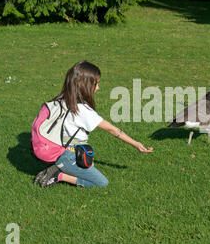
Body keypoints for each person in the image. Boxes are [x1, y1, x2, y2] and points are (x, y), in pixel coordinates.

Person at [34, 60, 153, 188]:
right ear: (84, 84)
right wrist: (136, 144)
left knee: (89, 165)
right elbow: (113, 130)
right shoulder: (82, 110)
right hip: (68, 156)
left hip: (60, 150)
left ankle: (60, 165)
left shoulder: (61, 101)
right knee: (101, 183)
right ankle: (59, 174)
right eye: (96, 84)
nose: (98, 88)